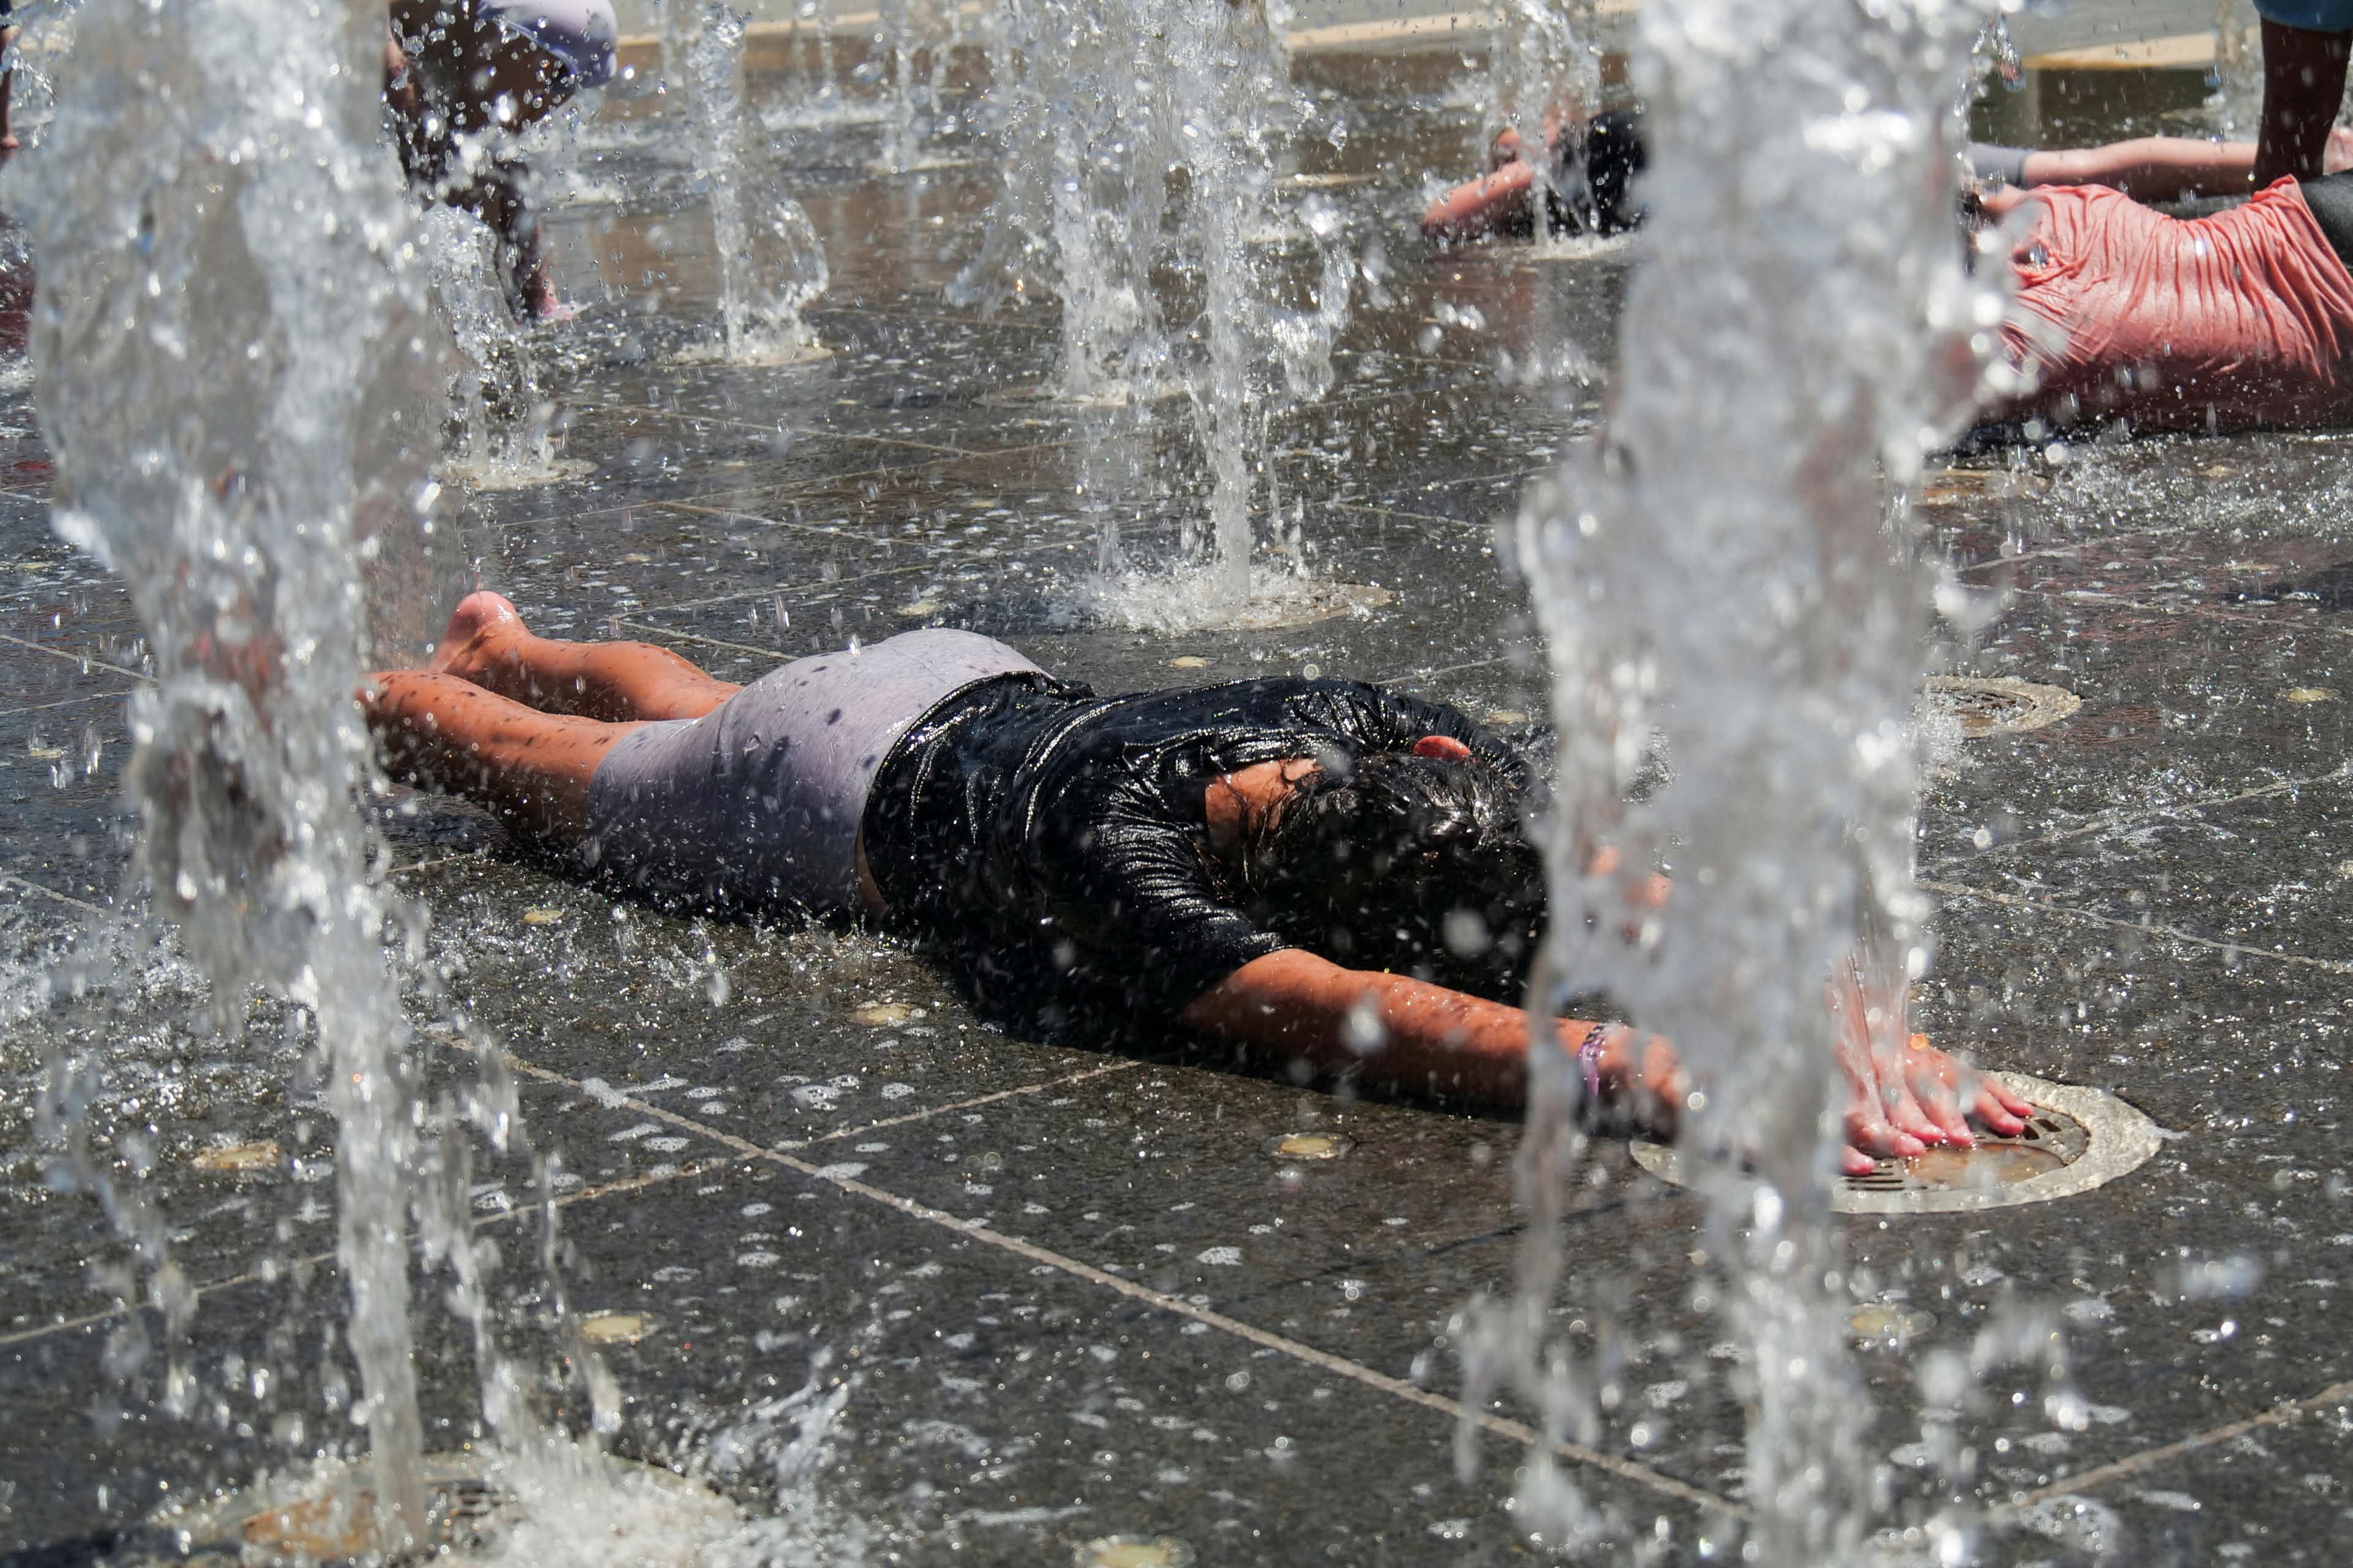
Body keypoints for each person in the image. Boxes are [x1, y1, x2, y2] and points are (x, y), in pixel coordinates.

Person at [365, 592, 2034, 1172]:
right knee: (535, 774)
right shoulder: (1123, 866)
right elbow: (1348, 1012)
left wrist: (1825, 1008)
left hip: (946, 674)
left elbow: (1595, 868)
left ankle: (511, 638)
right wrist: (1622, 1066)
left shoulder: (1364, 731)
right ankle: (355, 694)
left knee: (702, 708)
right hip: (817, 788)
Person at [1421, 108, 2353, 244]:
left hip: (1825, 178)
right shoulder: (1620, 125)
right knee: (2078, 167)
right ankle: (2317, 152)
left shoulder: (1565, 164)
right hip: (1846, 140)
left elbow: (1443, 218)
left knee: (2030, 191)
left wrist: (1485, 194)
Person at [385, 0, 618, 320]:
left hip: (534, 24)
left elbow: (394, 67)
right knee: (475, 161)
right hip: (560, 22)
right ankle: (536, 299)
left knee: (459, 166)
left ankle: (513, 303)